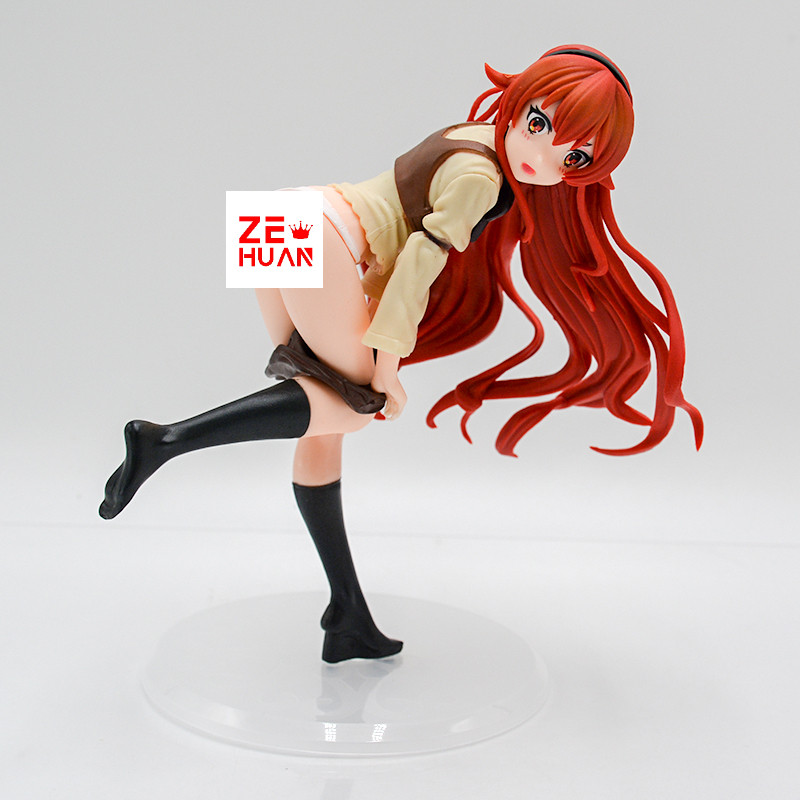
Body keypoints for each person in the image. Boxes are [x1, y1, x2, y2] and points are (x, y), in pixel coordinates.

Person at [99, 45, 703, 663]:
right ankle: (164, 441)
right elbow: (420, 260)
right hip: (322, 237)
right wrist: (386, 367)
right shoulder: (483, 179)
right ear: (520, 99)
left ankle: (346, 613)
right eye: (539, 122)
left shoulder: (476, 133)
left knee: (322, 429)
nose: (542, 156)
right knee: (352, 406)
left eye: (573, 158)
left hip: (278, 217)